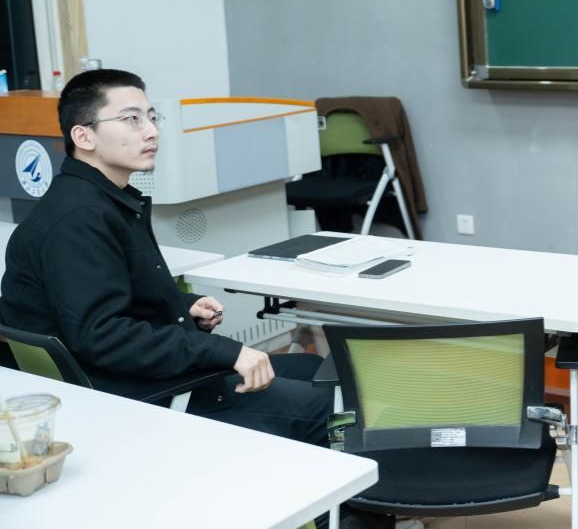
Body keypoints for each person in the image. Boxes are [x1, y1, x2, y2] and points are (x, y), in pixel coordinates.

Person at [0, 69, 332, 444]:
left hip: (138, 379)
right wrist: (225, 352)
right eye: (131, 119)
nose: (151, 131)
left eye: (151, 117)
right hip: (139, 399)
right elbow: (103, 336)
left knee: (310, 367)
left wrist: (184, 307)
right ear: (84, 136)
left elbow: (107, 300)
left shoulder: (98, 202)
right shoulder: (79, 220)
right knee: (325, 409)